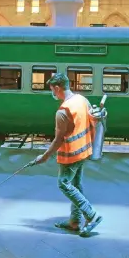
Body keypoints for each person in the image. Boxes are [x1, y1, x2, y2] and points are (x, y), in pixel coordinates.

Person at [29, 73, 103, 236]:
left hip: (71, 155)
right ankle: (74, 222)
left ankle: (92, 215)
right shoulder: (82, 100)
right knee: (76, 184)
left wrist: (44, 156)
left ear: (57, 88)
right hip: (84, 150)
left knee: (64, 184)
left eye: (52, 90)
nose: (52, 93)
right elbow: (94, 120)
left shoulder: (63, 112)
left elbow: (58, 140)